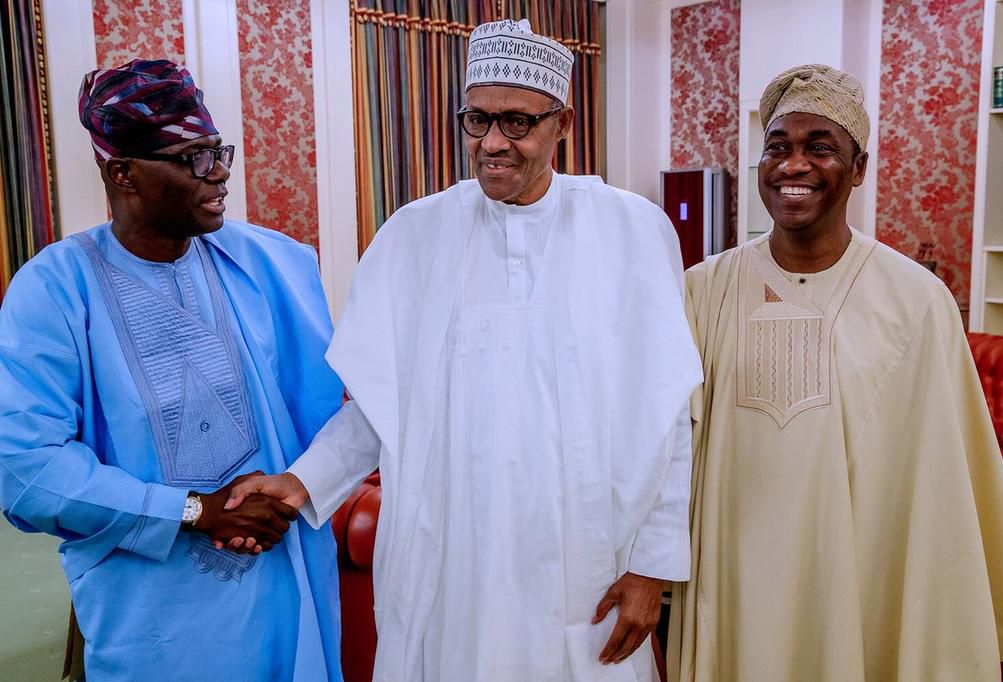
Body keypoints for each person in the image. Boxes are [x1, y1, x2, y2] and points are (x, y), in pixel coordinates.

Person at [226, 18, 702, 682]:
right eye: (476, 120)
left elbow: (668, 415)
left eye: (517, 123)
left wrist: (652, 564)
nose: (491, 144)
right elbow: (378, 410)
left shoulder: (630, 232)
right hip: (450, 560)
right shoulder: (411, 238)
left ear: (561, 124)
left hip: (582, 561)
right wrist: (301, 481)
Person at [666, 63, 1003, 682]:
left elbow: (938, 484)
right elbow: (670, 449)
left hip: (857, 583)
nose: (793, 165)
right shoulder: (705, 289)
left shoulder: (917, 299)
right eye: (777, 147)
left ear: (858, 169)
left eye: (819, 147)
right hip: (734, 577)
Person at [0, 59, 344, 680]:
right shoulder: (54, 289)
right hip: (153, 610)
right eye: (192, 159)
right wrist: (191, 511)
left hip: (282, 575)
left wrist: (286, 491)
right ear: (122, 173)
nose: (218, 177)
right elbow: (27, 469)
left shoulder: (274, 266)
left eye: (219, 153)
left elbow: (326, 417)